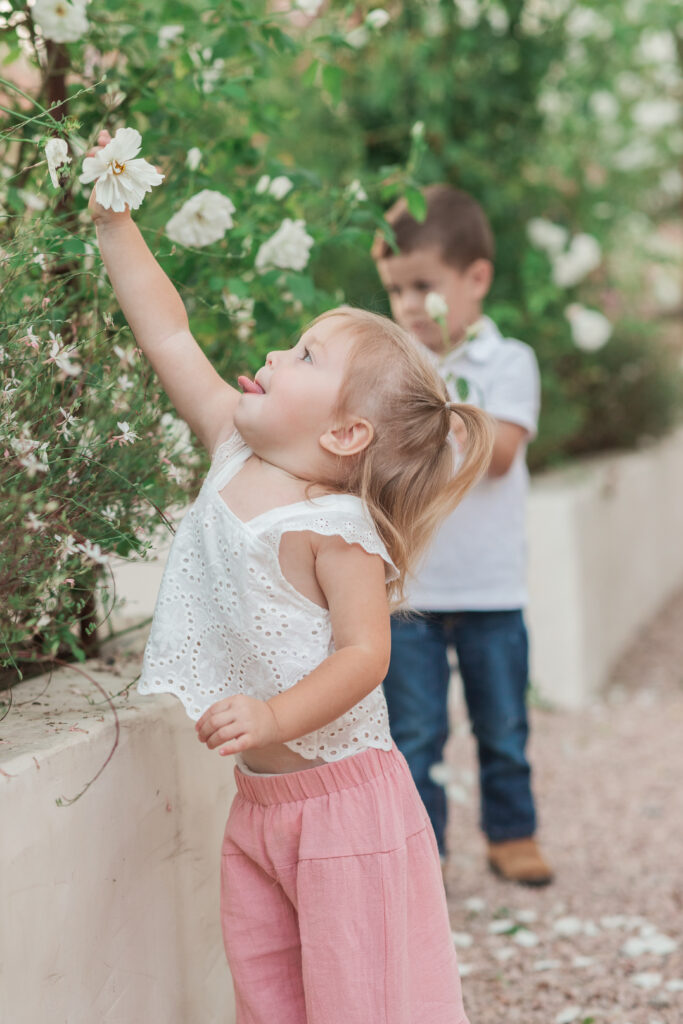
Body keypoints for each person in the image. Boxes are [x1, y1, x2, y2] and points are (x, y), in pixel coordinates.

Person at [86, 131, 494, 1024]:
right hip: (263, 806)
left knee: (366, 1001)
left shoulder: (333, 527)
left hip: (349, 815)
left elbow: (363, 655)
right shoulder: (231, 447)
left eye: (304, 357)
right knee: (270, 998)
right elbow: (167, 330)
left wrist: (272, 716)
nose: (273, 355)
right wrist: (116, 223)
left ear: (347, 435)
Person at [373, 184, 553, 886]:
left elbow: (498, 454)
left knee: (502, 727)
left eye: (424, 286)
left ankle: (512, 833)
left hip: (489, 588)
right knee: (414, 734)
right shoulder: (392, 370)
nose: (409, 306)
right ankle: (423, 854)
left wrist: (435, 395)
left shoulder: (506, 363)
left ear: (474, 278)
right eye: (395, 291)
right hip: (412, 590)